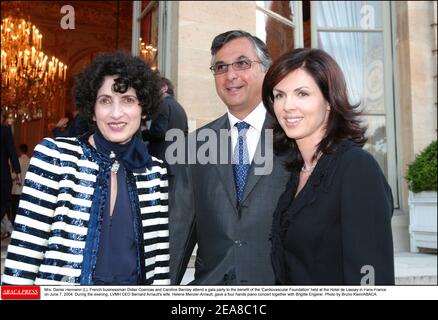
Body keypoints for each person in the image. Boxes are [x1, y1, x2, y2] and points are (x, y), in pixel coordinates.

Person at [2, 52, 170, 285]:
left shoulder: (155, 171)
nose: (116, 113)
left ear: (144, 108)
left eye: (128, 100)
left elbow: (159, 264)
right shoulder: (55, 156)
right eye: (105, 100)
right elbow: (24, 255)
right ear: (91, 109)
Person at [262, 48, 395, 285]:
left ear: (329, 101)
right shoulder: (295, 172)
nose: (287, 106)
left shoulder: (357, 169)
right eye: (279, 95)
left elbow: (371, 275)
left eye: (302, 94)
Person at [172, 30, 292, 285]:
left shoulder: (293, 136)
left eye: (242, 63)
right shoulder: (194, 145)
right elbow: (179, 233)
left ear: (266, 70)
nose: (231, 75)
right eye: (221, 67)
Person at [142, 77, 188, 162]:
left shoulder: (163, 104)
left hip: (161, 158)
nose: (152, 92)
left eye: (155, 88)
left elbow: (159, 132)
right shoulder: (179, 107)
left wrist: (143, 133)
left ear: (164, 88)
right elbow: (185, 134)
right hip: (175, 160)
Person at [1, 122, 21, 240]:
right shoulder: (5, 130)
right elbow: (11, 150)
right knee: (5, 202)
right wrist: (18, 172)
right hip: (3, 175)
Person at [10, 144, 30, 226]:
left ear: (20, 150)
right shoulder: (30, 160)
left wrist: (8, 177)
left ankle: (14, 224)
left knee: (15, 208)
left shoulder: (18, 160)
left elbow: (15, 175)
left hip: (17, 188)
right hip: (25, 188)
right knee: (23, 208)